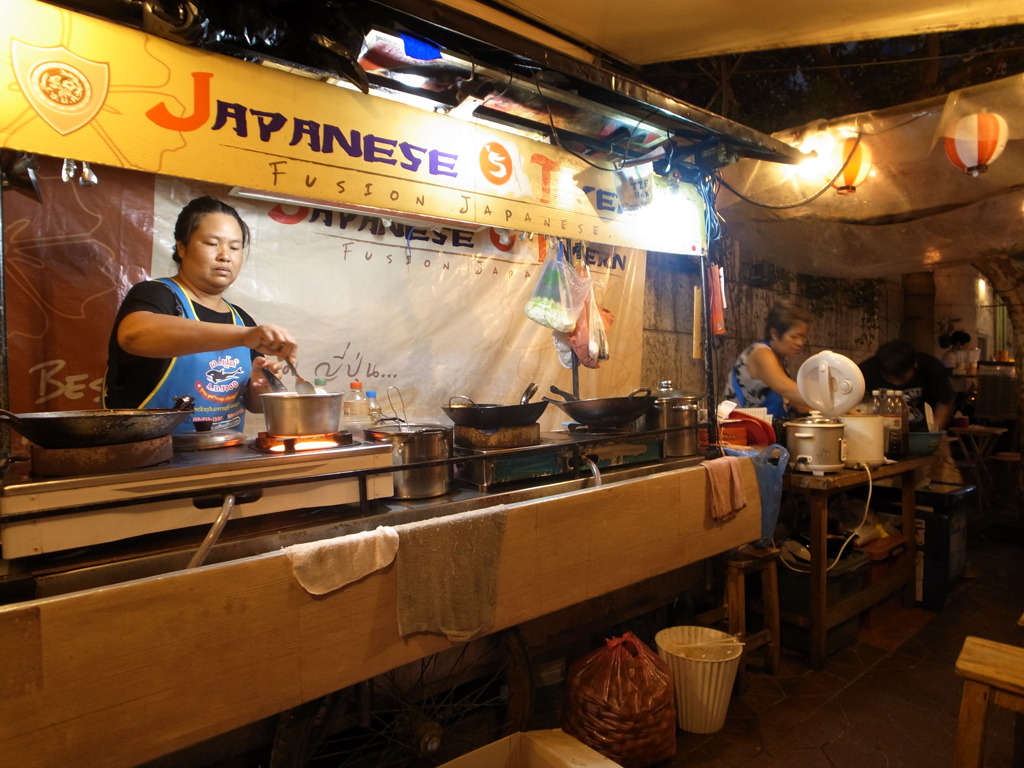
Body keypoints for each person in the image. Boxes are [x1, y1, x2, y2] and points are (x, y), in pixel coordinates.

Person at [103, 196, 298, 433]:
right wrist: (242, 336)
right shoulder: (157, 296)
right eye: (212, 243)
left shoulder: (241, 319)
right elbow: (133, 336)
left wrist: (260, 388)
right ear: (182, 247)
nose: (225, 255)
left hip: (222, 459)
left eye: (235, 247)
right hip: (149, 458)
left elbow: (254, 405)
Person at [722, 299, 813, 421]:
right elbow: (786, 388)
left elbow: (786, 398)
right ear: (774, 333)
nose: (800, 343)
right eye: (794, 336)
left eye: (803, 337)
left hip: (766, 431)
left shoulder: (779, 357)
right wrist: (830, 399)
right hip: (742, 434)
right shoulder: (761, 354)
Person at [859, 340, 956, 432]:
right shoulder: (867, 370)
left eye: (900, 376)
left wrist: (934, 434)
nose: (896, 383)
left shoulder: (932, 367)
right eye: (891, 377)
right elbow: (854, 404)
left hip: (924, 431)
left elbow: (945, 402)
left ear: (915, 364)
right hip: (881, 432)